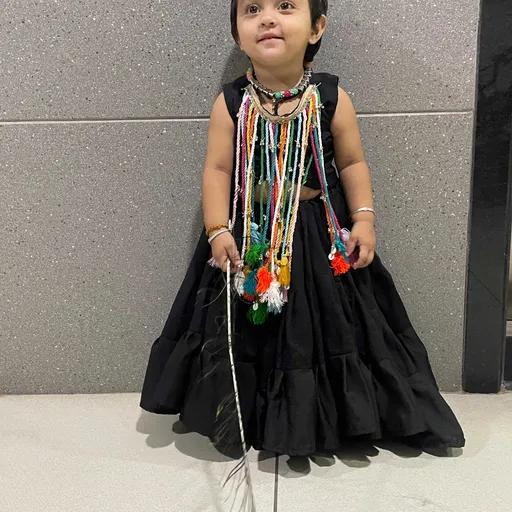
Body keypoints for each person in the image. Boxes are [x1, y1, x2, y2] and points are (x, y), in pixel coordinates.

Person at [140, 0, 465, 457]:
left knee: (322, 329)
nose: (268, 18)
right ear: (237, 34)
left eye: (286, 6)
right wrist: (217, 230)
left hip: (317, 234)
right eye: (252, 9)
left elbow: (352, 163)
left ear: (316, 28)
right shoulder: (232, 103)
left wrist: (364, 219)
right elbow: (217, 169)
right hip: (249, 235)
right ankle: (252, 414)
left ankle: (328, 416)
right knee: (245, 331)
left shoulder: (330, 98)